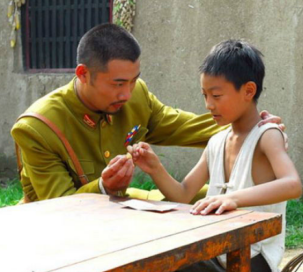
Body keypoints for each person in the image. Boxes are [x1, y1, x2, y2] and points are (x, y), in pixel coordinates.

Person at [11, 23, 283, 203]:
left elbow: (181, 126)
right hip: (59, 229)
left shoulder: (136, 95)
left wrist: (252, 129)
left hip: (120, 208)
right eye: (118, 84)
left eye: (133, 80)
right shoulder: (38, 128)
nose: (127, 94)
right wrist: (104, 187)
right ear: (83, 74)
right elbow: (61, 205)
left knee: (221, 196)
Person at [128, 39, 302, 272]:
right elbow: (182, 194)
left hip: (253, 258)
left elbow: (292, 185)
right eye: (205, 95)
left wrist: (233, 198)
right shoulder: (217, 142)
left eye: (217, 96)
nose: (209, 104)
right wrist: (155, 168)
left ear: (248, 91)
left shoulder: (267, 135)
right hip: (218, 252)